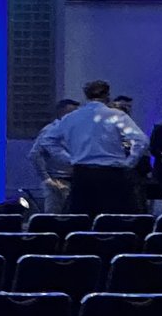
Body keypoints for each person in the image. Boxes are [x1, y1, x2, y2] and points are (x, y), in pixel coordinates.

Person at [30, 79, 148, 215]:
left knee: (82, 218)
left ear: (86, 95)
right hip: (113, 174)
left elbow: (48, 140)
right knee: (115, 217)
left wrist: (68, 158)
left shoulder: (72, 117)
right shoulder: (117, 116)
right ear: (107, 95)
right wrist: (129, 162)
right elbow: (141, 140)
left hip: (82, 174)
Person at [30, 97, 78, 213]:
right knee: (54, 216)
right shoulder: (50, 131)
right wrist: (47, 179)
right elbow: (35, 155)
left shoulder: (76, 131)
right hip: (57, 180)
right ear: (62, 113)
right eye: (72, 113)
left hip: (75, 179)